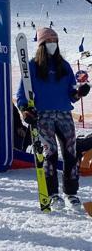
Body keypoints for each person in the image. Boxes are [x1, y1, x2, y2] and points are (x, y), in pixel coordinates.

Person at [16, 27, 90, 211]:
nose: (52, 46)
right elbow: (21, 94)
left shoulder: (63, 66)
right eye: (48, 42)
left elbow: (71, 94)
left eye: (55, 42)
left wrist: (79, 93)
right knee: (50, 154)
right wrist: (25, 109)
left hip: (64, 114)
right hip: (44, 116)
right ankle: (52, 194)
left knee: (71, 154)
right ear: (41, 45)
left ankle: (71, 193)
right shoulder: (32, 66)